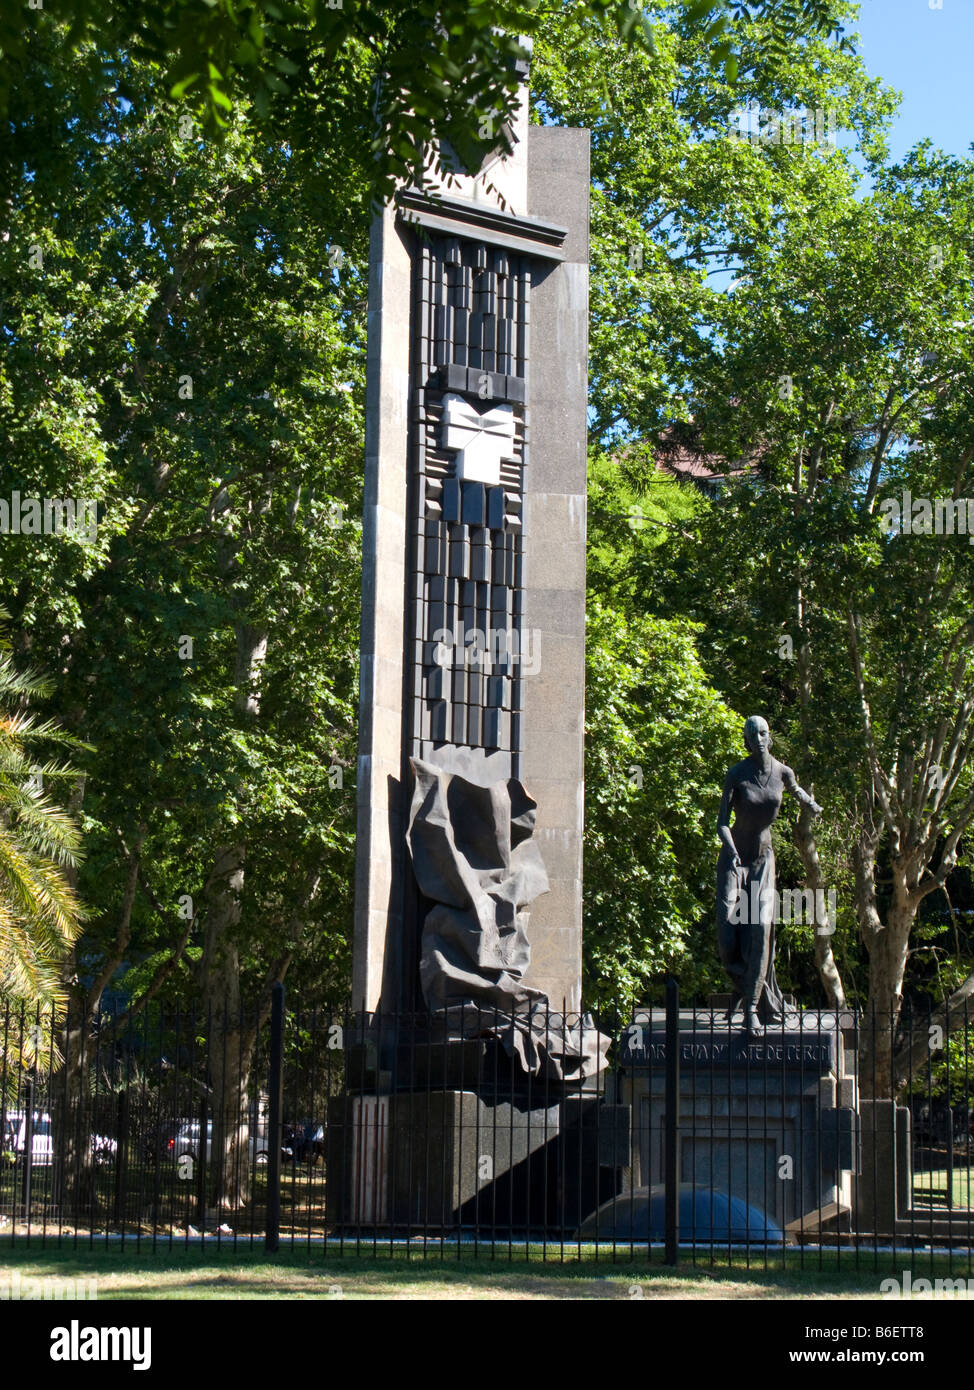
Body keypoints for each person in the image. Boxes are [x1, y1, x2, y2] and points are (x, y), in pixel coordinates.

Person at [716, 716, 822, 1035]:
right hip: (735, 856)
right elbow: (721, 821)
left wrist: (810, 803)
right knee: (727, 928)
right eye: (752, 734)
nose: (758, 737)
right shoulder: (736, 774)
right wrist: (732, 850)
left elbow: (796, 789)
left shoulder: (781, 771)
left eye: (763, 732)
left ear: (769, 737)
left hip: (763, 858)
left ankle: (751, 1007)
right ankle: (745, 980)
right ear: (746, 740)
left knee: (760, 926)